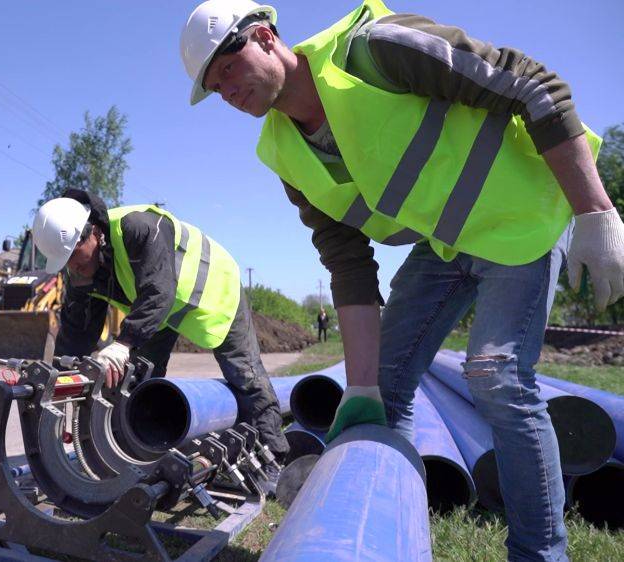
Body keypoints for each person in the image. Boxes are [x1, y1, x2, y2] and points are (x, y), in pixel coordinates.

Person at [180, 0, 624, 559]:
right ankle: (391, 536)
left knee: (496, 375)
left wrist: (594, 210)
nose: (226, 89)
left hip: (521, 221)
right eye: (214, 87)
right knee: (382, 389)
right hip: (449, 244)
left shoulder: (376, 51)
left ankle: (540, 553)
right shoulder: (285, 152)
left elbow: (535, 85)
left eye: (227, 66)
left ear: (266, 37)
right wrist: (362, 386)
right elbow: (348, 263)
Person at [32, 189, 290, 491]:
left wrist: (122, 343)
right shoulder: (84, 270)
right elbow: (77, 330)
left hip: (215, 290)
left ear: (94, 233)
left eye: (74, 255)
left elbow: (159, 291)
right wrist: (62, 382)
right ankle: (140, 451)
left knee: (244, 375)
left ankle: (274, 459)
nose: (72, 266)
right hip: (158, 312)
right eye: (64, 261)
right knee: (138, 378)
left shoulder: (138, 227)